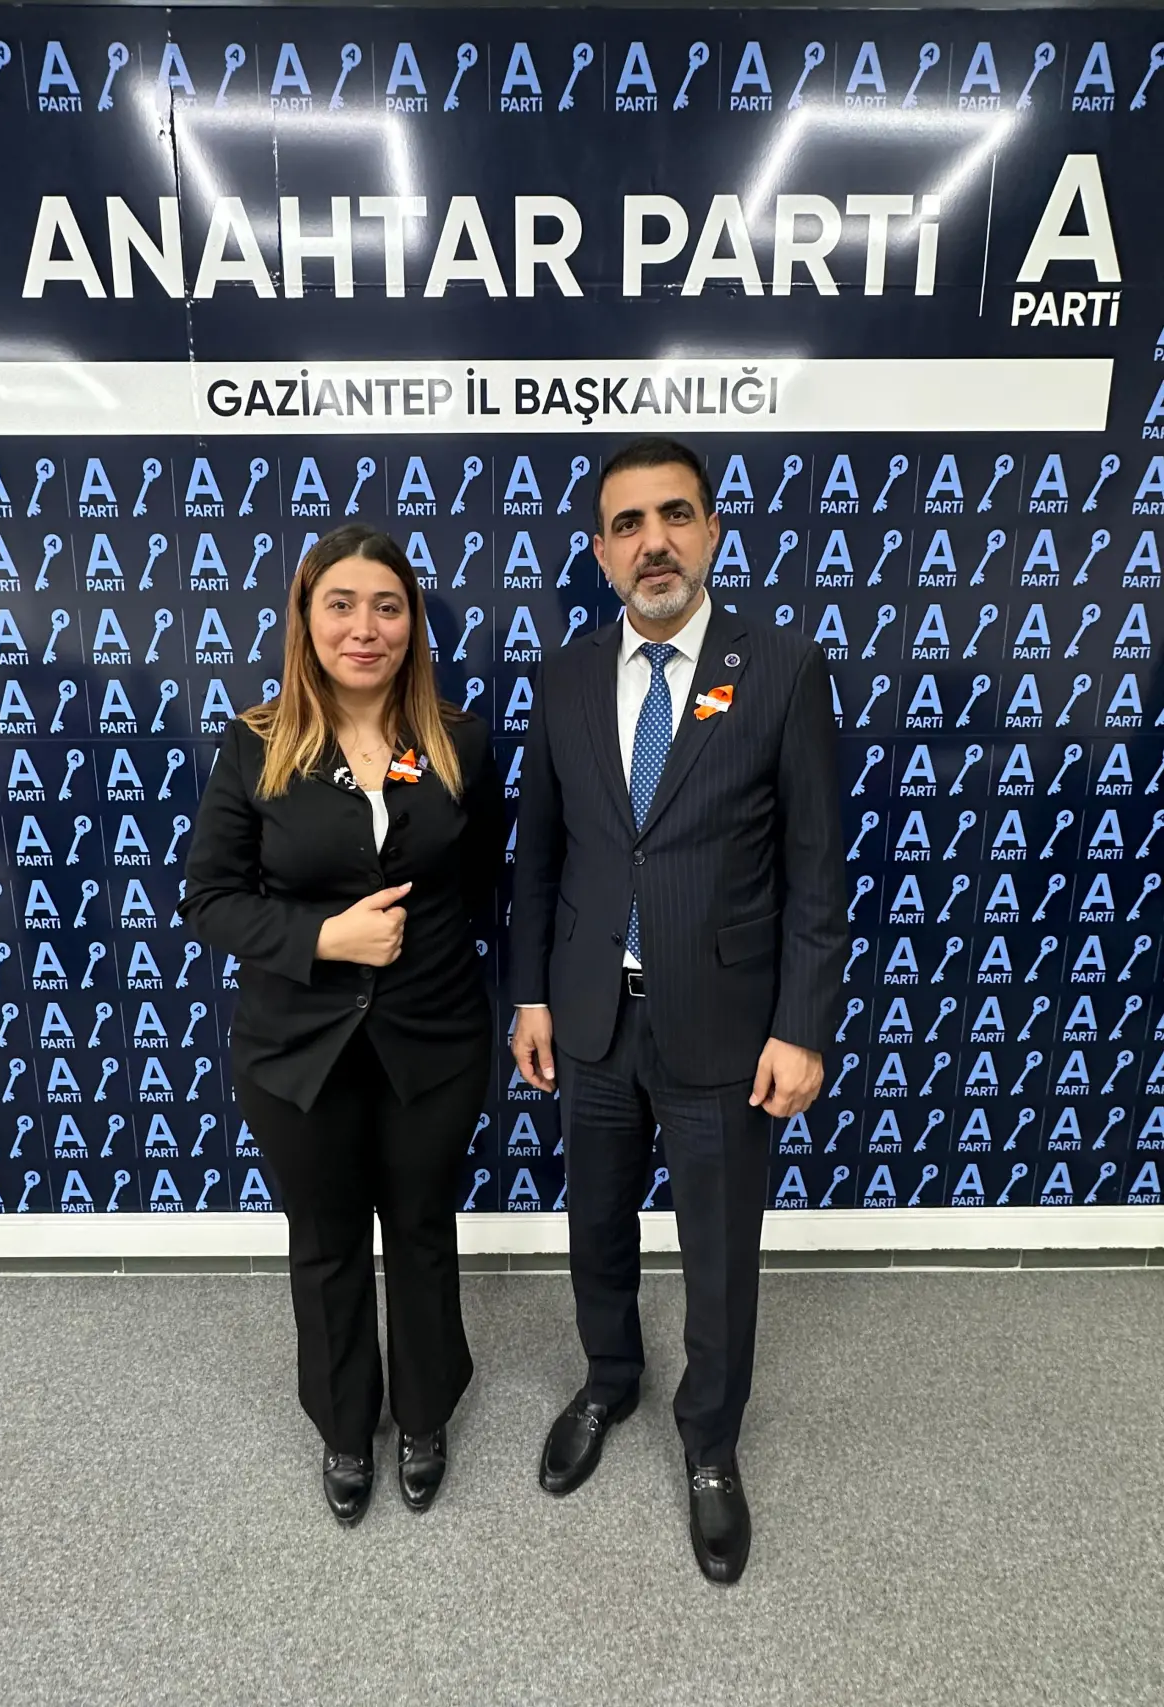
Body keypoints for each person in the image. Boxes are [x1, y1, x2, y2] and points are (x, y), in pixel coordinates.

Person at [510, 437, 848, 1584]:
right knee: (595, 1227)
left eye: (672, 516)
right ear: (599, 551)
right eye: (626, 524)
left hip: (727, 1028)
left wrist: (800, 1025)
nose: (651, 542)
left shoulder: (781, 668)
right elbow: (539, 860)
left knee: (717, 1251)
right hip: (591, 1020)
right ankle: (608, 1382)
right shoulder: (563, 677)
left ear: (710, 530)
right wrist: (529, 995)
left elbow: (814, 870)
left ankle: (708, 1441)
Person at [180, 524, 505, 1527]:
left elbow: (481, 883)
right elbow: (209, 898)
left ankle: (424, 1414)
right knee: (324, 1241)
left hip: (432, 1040)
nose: (364, 628)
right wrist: (325, 937)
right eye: (341, 605)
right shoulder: (256, 742)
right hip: (296, 1051)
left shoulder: (458, 740)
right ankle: (343, 1427)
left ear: (412, 624)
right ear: (306, 619)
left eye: (387, 607)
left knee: (421, 1228)